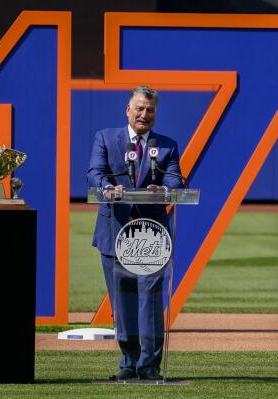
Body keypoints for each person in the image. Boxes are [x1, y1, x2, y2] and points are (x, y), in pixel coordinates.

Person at [87, 86, 183, 380]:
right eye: (139, 109)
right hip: (115, 231)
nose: (144, 114)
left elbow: (176, 179)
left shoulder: (166, 146)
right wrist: (107, 188)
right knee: (123, 302)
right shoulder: (106, 137)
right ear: (128, 110)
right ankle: (129, 363)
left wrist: (163, 189)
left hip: (151, 237)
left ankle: (150, 365)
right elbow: (94, 172)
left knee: (151, 300)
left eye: (150, 110)